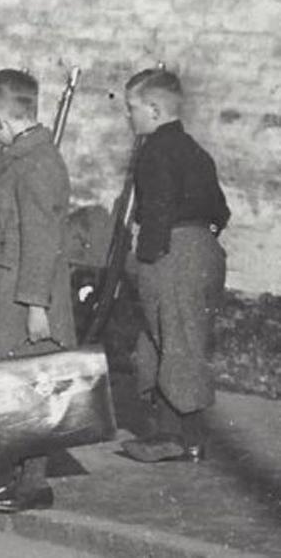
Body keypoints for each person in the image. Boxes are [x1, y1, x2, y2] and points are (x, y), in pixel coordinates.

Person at [0, 69, 75, 514]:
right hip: (3, 283)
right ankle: (12, 474)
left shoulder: (38, 164)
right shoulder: (19, 156)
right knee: (8, 385)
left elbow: (42, 238)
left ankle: (33, 485)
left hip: (22, 293)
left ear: (1, 120)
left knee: (29, 388)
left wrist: (36, 304)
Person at [117, 68, 228, 463]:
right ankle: (171, 434)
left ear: (153, 109)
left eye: (131, 108)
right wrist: (197, 242)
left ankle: (184, 439)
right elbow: (221, 211)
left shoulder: (154, 150)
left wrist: (143, 261)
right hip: (202, 250)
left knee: (174, 343)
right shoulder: (194, 150)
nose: (127, 116)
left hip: (170, 252)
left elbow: (158, 208)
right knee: (168, 340)